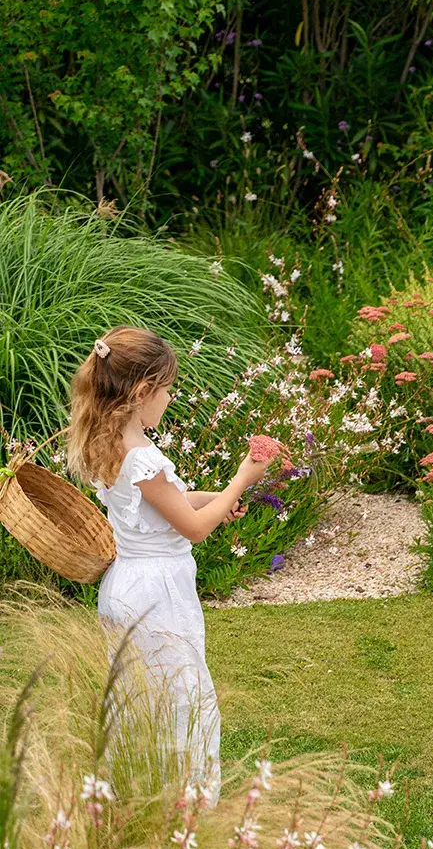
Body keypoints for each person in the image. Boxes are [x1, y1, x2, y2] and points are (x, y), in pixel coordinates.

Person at [68, 326, 277, 800]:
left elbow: (167, 504)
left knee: (139, 698)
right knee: (180, 699)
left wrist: (219, 496)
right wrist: (242, 481)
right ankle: (183, 805)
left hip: (129, 582)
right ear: (143, 391)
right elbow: (194, 527)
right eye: (166, 388)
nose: (170, 396)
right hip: (155, 593)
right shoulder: (144, 457)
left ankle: (134, 793)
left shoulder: (112, 441)